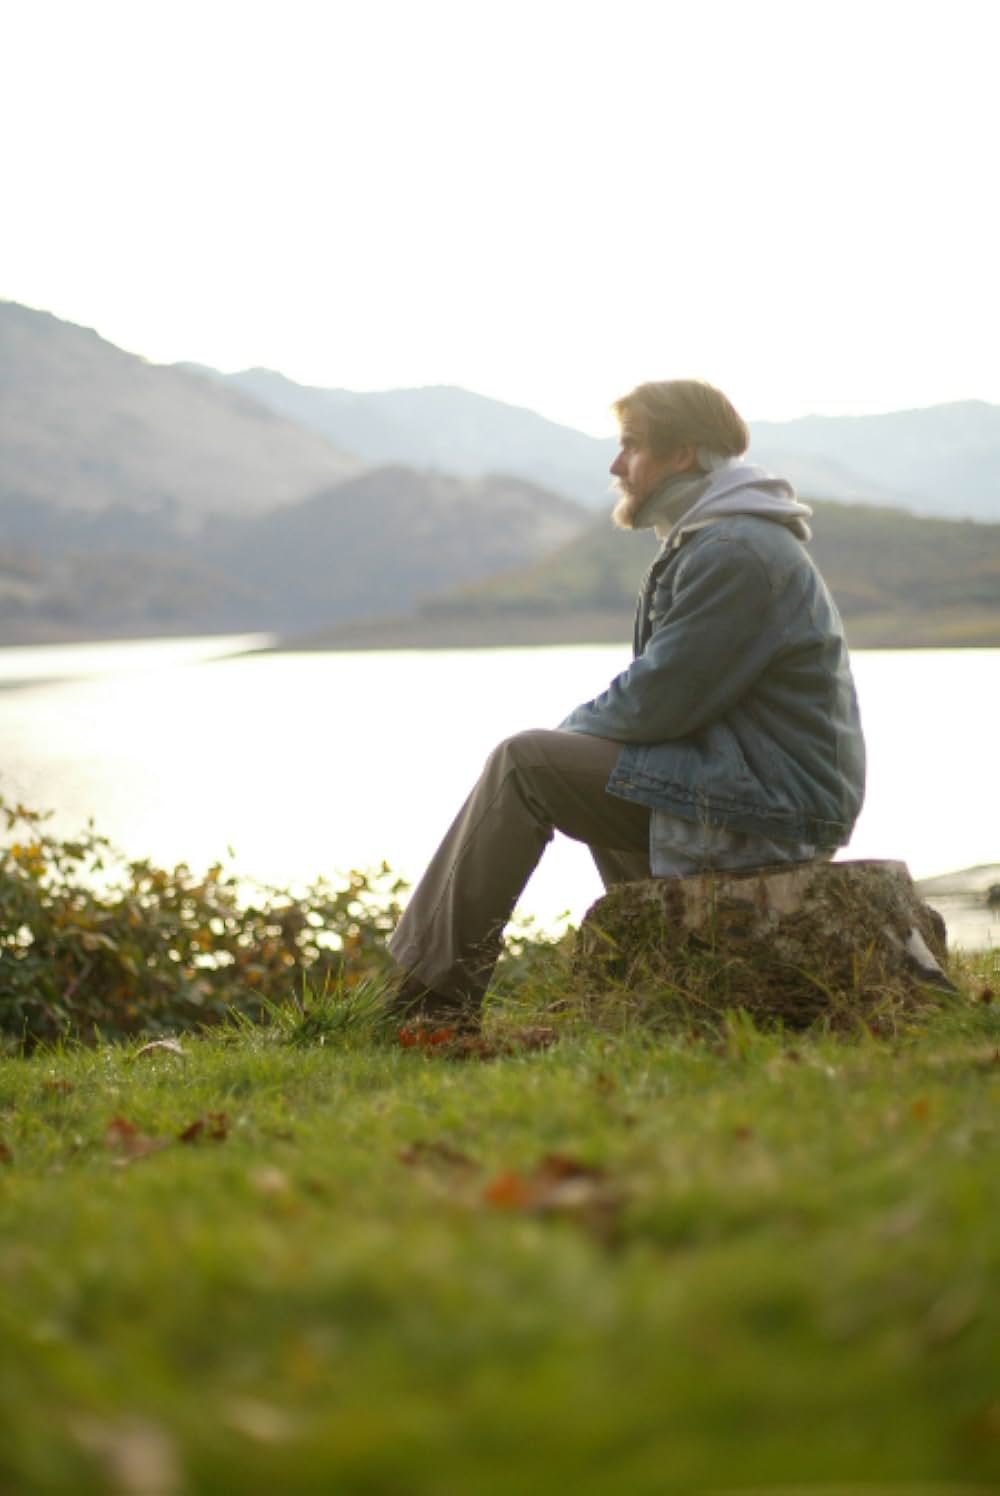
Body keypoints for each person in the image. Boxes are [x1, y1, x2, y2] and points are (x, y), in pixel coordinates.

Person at [387, 378, 866, 1029]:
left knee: (527, 765)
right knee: (600, 766)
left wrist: (566, 742)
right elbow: (663, 711)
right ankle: (670, 983)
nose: (616, 466)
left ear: (683, 454)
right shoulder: (718, 541)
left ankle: (426, 1003)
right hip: (754, 786)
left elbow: (657, 703)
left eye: (631, 447)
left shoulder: (736, 552)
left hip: (775, 804)